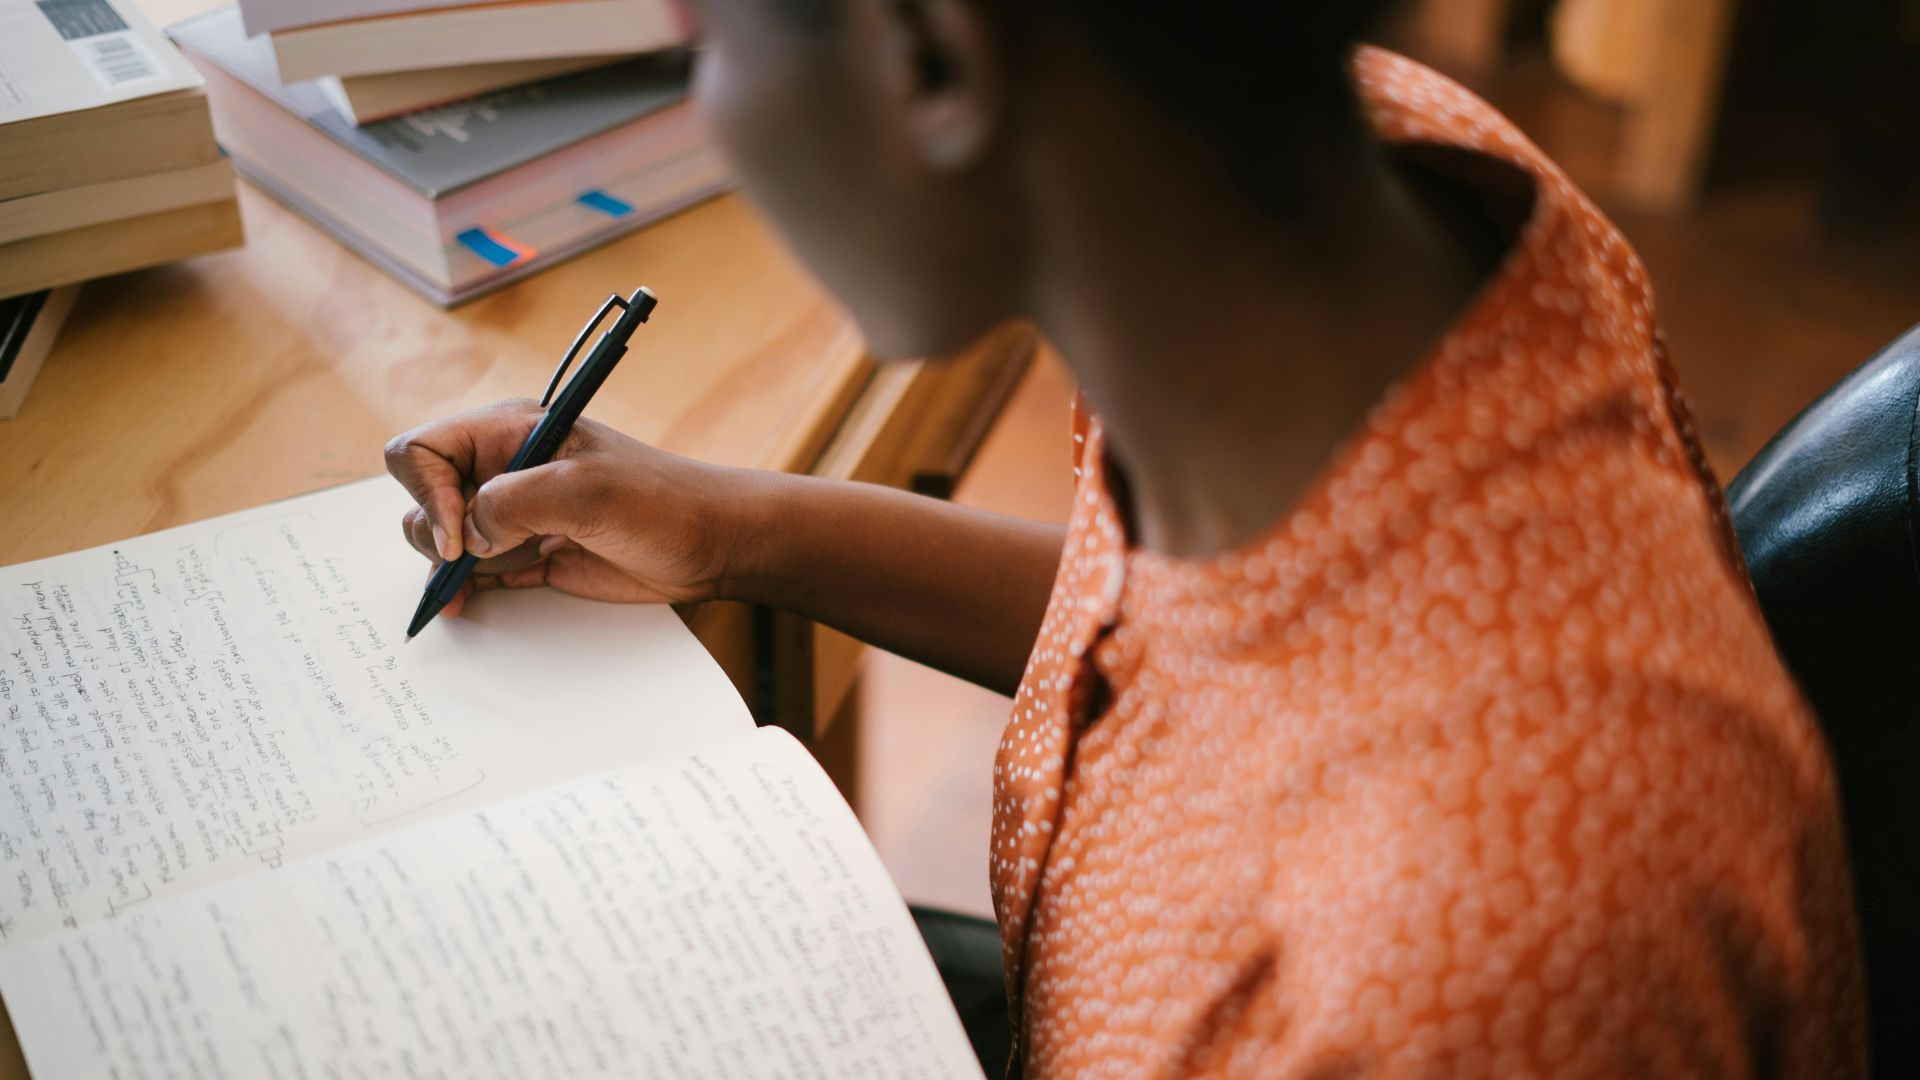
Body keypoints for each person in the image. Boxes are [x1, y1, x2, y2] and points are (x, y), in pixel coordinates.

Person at [384, 1, 1867, 1075]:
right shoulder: (1325, 213)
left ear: (933, 58)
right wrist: (735, 528)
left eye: (703, 39)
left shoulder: (1489, 960)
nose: (700, 100)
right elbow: (1194, 656)